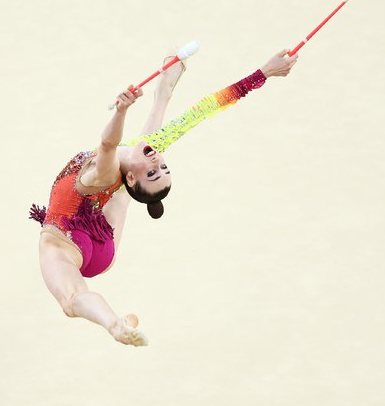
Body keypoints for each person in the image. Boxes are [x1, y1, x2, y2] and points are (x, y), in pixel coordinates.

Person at [30, 49, 298, 346]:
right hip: (102, 243)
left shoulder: (107, 173)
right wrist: (265, 73)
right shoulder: (147, 153)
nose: (159, 162)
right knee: (123, 191)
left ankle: (114, 325)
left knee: (71, 301)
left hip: (65, 241)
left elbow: (108, 143)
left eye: (154, 173)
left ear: (133, 177)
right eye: (163, 167)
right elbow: (207, 108)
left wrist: (121, 110)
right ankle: (163, 93)